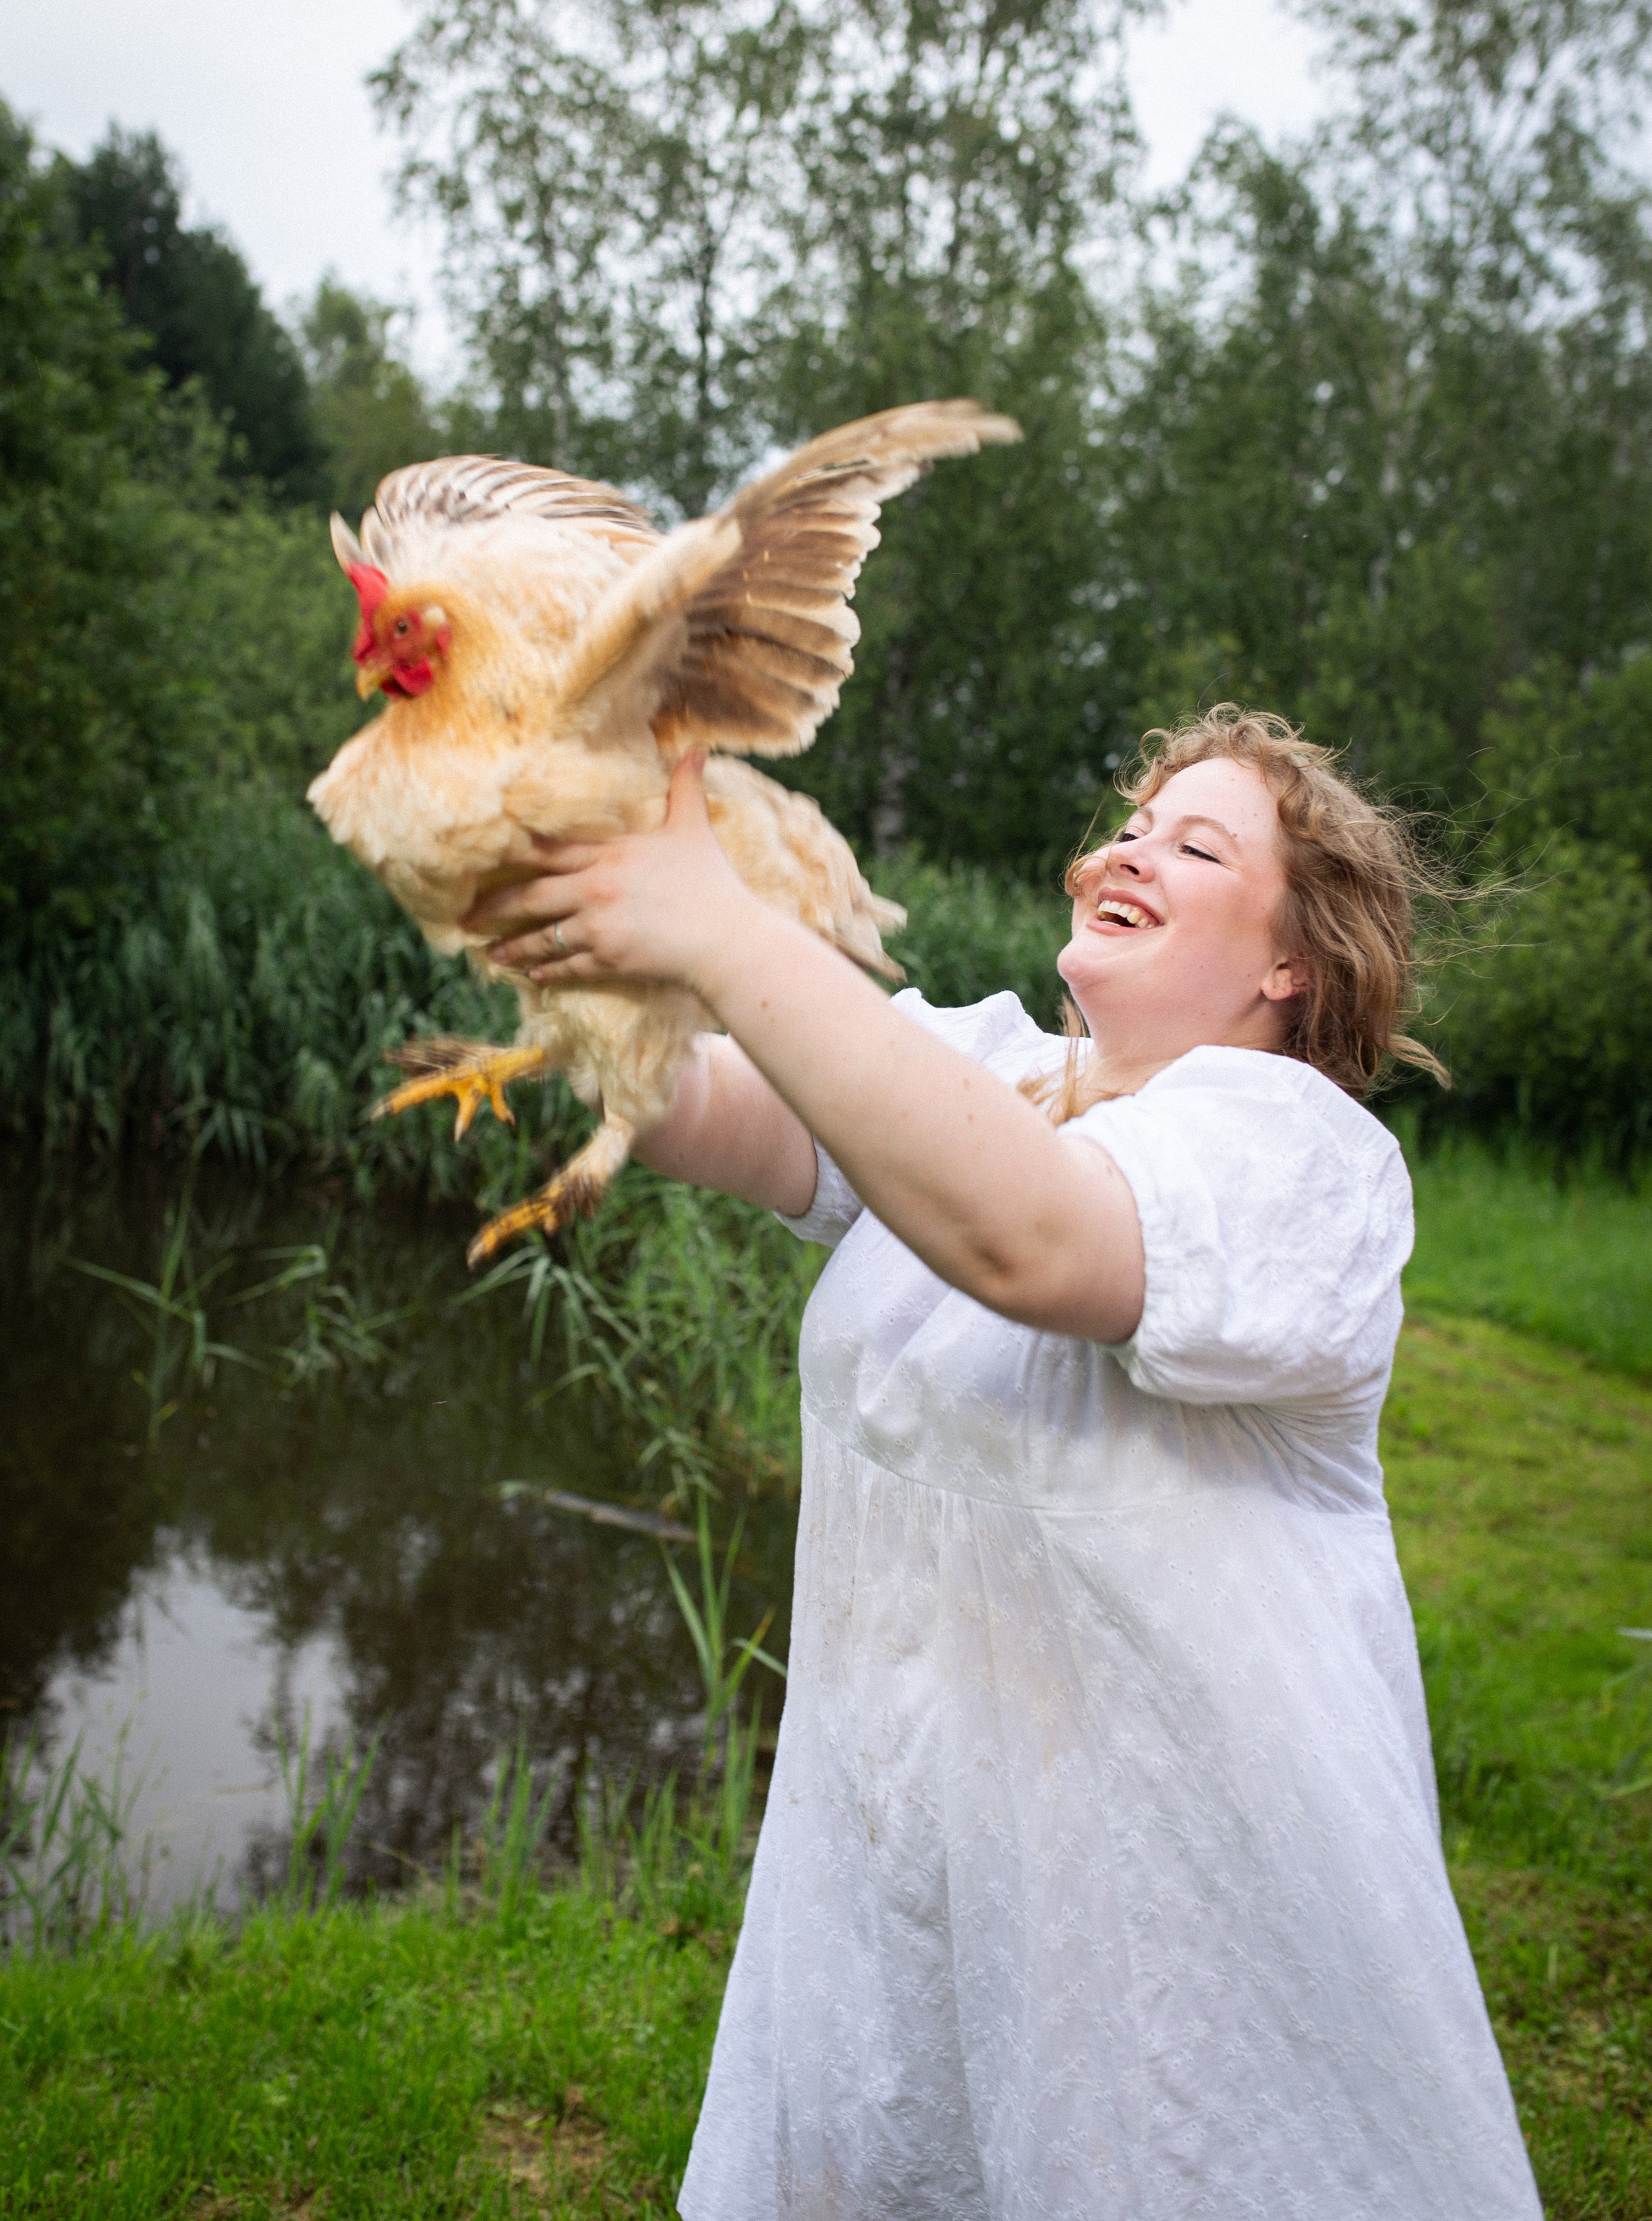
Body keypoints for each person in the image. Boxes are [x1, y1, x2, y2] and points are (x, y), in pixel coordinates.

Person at [467, 705, 1542, 2221]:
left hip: (1178, 1933)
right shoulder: (993, 1073)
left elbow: (1032, 1240)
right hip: (912, 1858)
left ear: (1291, 962)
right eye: (1132, 824)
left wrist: (721, 924)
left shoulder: (1296, 1163)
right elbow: (699, 1102)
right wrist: (553, 898)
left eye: (1197, 846)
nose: (1126, 852)